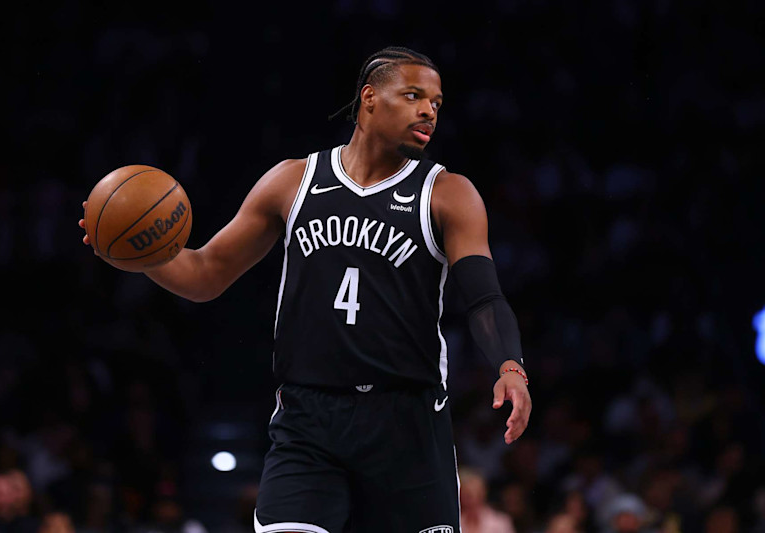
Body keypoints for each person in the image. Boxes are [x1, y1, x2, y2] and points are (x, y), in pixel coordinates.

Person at [80, 45, 532, 532]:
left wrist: (510, 366)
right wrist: (141, 253)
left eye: (437, 103)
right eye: (414, 95)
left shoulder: (448, 193)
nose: (429, 110)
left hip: (408, 422)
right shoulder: (292, 181)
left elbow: (483, 296)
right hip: (310, 418)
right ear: (369, 99)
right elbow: (205, 273)